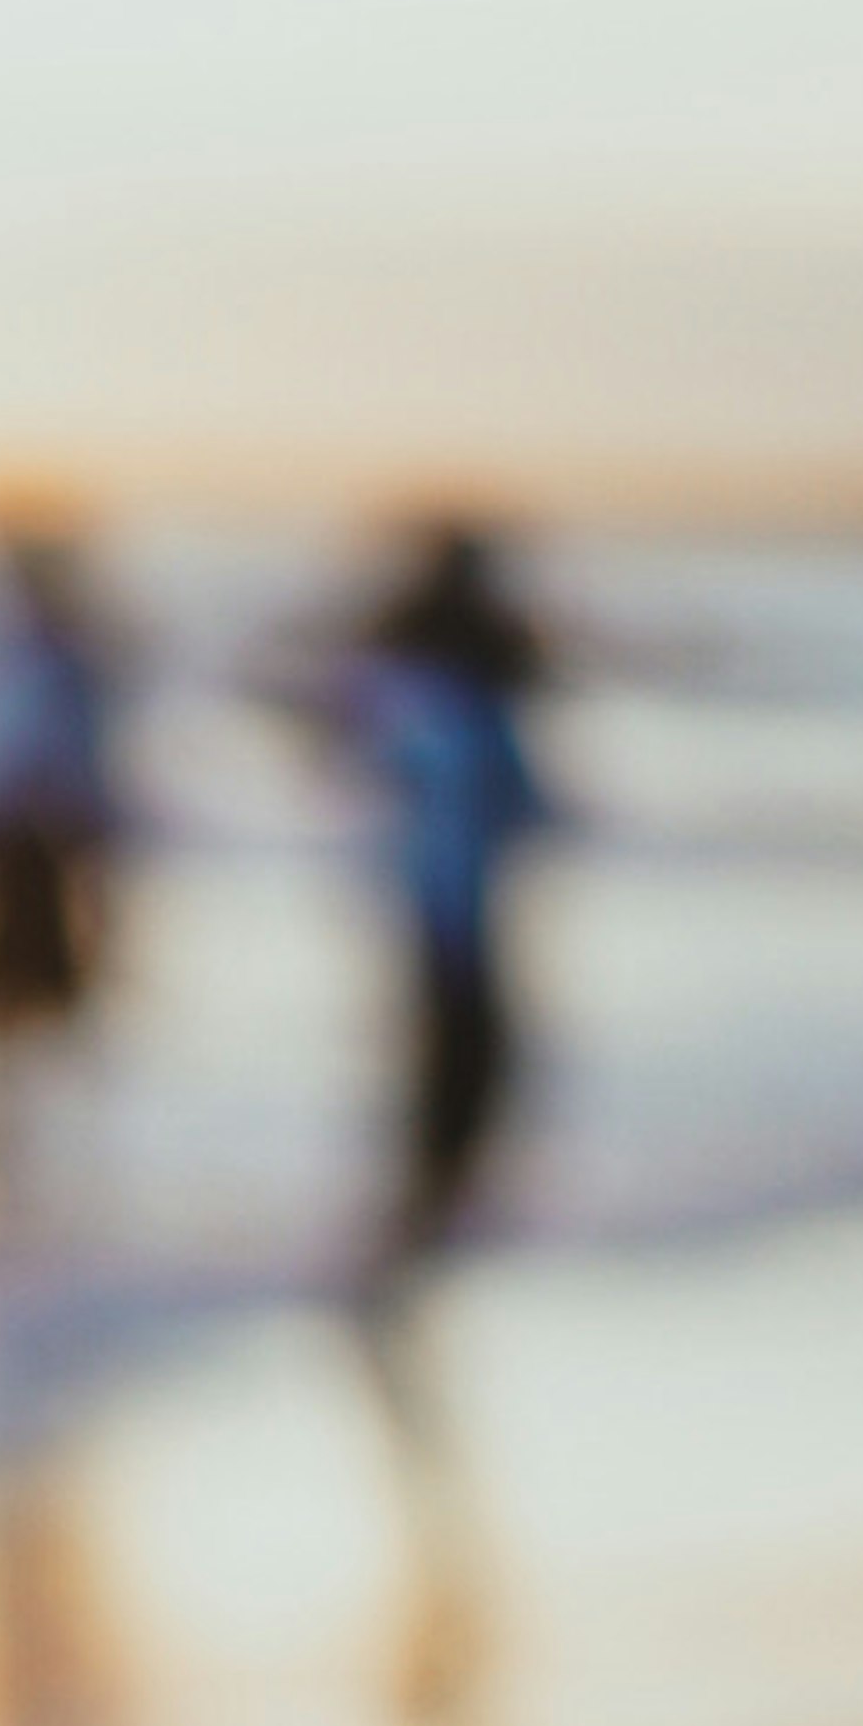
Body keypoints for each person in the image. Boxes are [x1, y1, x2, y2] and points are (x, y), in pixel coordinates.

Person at [339, 519, 553, 1292]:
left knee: (445, 1027)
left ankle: (434, 1183)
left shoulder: (405, 655)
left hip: (428, 870)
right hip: (446, 874)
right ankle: (433, 1183)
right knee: (458, 1029)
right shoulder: (452, 672)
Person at [0, 519, 122, 1156]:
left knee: (32, 976)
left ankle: (30, 1121)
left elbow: (74, 750)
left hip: (35, 835)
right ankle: (14, 1118)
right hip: (15, 833)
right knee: (10, 976)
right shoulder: (13, 647)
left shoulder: (54, 653)